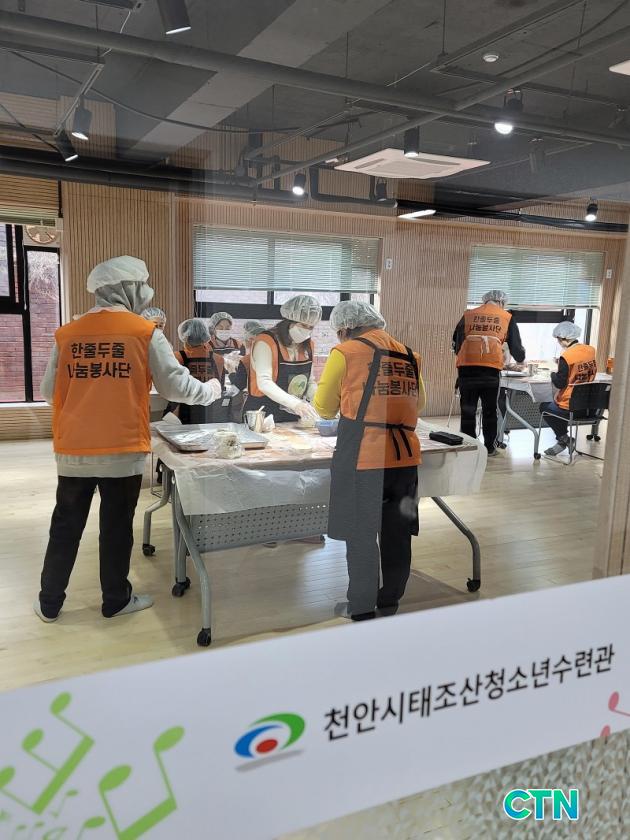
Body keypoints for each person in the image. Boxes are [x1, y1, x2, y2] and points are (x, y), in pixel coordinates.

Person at [36, 256, 222, 623]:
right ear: (129, 288)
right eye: (143, 284)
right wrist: (211, 390)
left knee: (65, 525)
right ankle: (115, 600)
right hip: (122, 448)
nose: (147, 291)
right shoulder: (143, 331)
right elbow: (175, 387)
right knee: (116, 527)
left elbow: (48, 392)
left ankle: (49, 603)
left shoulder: (68, 334)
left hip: (74, 447)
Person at [314, 301, 426, 621]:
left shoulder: (346, 352)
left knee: (360, 534)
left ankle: (361, 607)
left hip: (364, 458)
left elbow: (324, 408)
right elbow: (420, 403)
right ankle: (390, 602)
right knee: (397, 534)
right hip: (405, 459)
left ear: (345, 328)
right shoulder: (410, 355)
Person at [453, 289, 525, 455]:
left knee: (468, 409)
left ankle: (469, 445)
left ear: (485, 300)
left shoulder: (469, 315)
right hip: (490, 371)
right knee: (490, 410)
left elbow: (456, 342)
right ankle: (490, 448)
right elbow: (516, 348)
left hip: (466, 370)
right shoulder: (506, 317)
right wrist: (520, 359)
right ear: (501, 302)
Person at [245, 295, 321, 423]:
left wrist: (317, 400)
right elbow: (264, 383)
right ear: (289, 321)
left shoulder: (308, 345)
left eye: (311, 327)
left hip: (292, 416)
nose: (306, 331)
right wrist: (295, 404)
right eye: (303, 325)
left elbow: (309, 382)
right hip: (262, 414)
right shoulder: (266, 342)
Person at [540, 321, 597, 459]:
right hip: (590, 407)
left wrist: (552, 373)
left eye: (558, 340)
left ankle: (564, 439)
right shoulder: (591, 350)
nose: (559, 342)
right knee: (557, 406)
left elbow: (560, 383)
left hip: (571, 406)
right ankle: (563, 441)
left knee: (544, 407)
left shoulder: (567, 356)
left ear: (563, 339)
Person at [230, 320, 266, 399]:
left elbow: (237, 387)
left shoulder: (246, 361)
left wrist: (231, 371)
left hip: (256, 400)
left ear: (250, 338)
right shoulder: (275, 355)